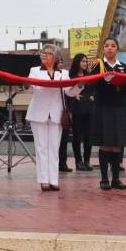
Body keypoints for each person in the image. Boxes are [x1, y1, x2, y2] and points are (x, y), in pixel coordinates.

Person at [25, 44, 78, 191]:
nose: (45, 56)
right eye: (43, 53)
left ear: (55, 57)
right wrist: (27, 85)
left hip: (57, 114)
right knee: (41, 147)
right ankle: (43, 180)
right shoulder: (34, 70)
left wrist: (79, 85)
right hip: (38, 113)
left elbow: (70, 92)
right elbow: (31, 89)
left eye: (48, 53)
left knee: (54, 147)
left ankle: (54, 179)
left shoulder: (64, 73)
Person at [90, 37, 126, 190]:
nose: (110, 48)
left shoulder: (123, 66)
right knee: (105, 145)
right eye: (107, 46)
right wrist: (104, 80)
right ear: (103, 49)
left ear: (118, 49)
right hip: (103, 107)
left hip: (120, 107)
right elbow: (92, 85)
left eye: (113, 46)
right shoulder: (98, 65)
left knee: (117, 145)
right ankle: (104, 178)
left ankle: (116, 178)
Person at [67, 53, 95, 171]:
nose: (85, 63)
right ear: (77, 62)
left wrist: (94, 96)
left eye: (86, 61)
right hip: (77, 109)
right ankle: (78, 161)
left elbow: (94, 89)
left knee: (88, 136)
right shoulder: (70, 75)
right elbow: (66, 91)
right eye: (82, 61)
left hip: (89, 108)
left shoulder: (89, 75)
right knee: (77, 137)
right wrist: (74, 96)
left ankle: (87, 160)